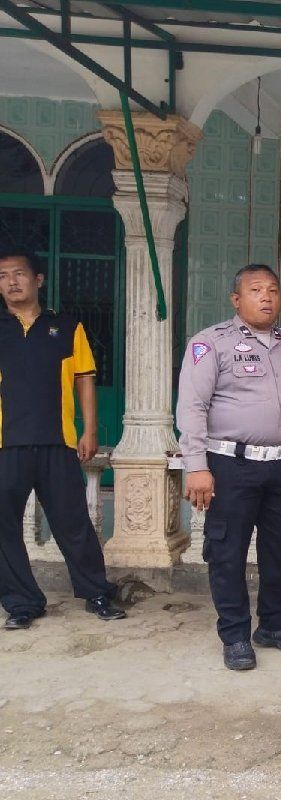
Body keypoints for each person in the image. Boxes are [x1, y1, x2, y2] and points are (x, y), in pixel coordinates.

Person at [176, 264, 281, 671]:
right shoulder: (210, 344)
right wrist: (196, 467)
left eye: (273, 289)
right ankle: (235, 635)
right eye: (255, 290)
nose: (266, 297)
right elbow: (192, 407)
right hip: (227, 465)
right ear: (236, 300)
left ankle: (274, 625)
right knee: (227, 552)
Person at [0, 247, 125, 629]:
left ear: (38, 280)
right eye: (3, 276)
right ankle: (23, 602)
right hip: (6, 444)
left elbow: (84, 378)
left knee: (73, 522)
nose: (11, 282)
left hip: (58, 441)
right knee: (3, 526)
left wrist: (89, 429)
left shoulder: (66, 327)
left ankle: (96, 592)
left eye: (19, 273)